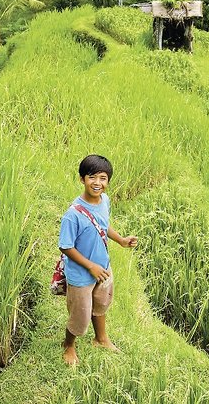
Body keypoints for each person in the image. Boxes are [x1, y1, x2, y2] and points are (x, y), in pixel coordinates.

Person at [58, 154, 138, 365]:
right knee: (80, 315)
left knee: (101, 303)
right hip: (82, 274)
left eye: (102, 178)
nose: (97, 183)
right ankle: (69, 345)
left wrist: (121, 240)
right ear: (82, 179)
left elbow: (103, 225)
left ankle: (101, 338)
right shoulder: (73, 214)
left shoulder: (105, 201)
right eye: (92, 177)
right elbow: (65, 246)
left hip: (103, 267)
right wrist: (90, 266)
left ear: (108, 181)